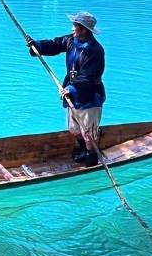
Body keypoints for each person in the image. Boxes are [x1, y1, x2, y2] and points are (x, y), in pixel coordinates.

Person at [25, 12, 105, 165]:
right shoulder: (71, 40)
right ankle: (83, 150)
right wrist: (37, 45)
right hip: (72, 92)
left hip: (89, 96)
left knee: (89, 132)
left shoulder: (95, 50)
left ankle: (92, 158)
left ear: (83, 29)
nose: (72, 28)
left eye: (75, 25)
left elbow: (88, 76)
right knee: (74, 129)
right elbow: (55, 44)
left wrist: (71, 89)